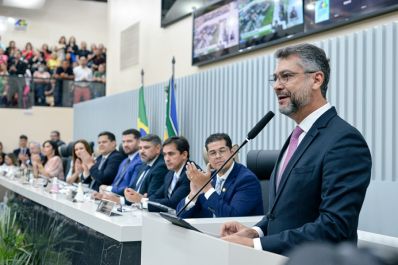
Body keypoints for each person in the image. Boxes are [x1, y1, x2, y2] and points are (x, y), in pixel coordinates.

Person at [220, 43, 372, 255]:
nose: (277, 86)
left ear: (316, 79)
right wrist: (256, 232)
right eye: (275, 78)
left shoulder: (344, 140)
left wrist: (257, 246)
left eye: (287, 76)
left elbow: (335, 226)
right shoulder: (297, 136)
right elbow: (284, 213)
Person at [176, 133, 263, 218]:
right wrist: (193, 194)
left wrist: (207, 188)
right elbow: (180, 215)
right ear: (208, 157)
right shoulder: (210, 178)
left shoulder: (247, 180)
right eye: (213, 153)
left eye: (222, 151)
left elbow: (233, 217)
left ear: (232, 153)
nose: (218, 156)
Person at [126, 136, 192, 211]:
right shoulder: (171, 172)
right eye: (165, 154)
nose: (167, 159)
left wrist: (142, 200)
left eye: (171, 154)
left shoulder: (191, 173)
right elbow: (157, 195)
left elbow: (173, 203)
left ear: (184, 155)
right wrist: (144, 199)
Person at [96, 129, 142, 196]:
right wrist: (105, 193)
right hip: (114, 197)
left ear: (139, 142)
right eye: (123, 142)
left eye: (129, 141)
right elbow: (115, 183)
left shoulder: (141, 161)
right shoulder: (124, 161)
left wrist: (109, 189)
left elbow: (132, 189)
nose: (125, 145)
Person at [124, 134, 168, 202]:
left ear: (158, 149)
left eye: (146, 147)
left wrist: (121, 200)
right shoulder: (144, 164)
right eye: (140, 148)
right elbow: (132, 188)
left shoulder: (161, 167)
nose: (141, 151)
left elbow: (151, 197)